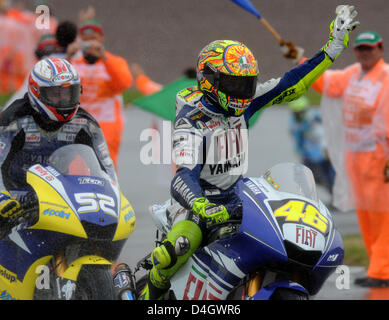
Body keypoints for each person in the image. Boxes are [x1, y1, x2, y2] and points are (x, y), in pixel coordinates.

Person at [137, 5, 359, 300]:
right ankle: (149, 294)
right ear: (210, 81)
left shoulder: (245, 102)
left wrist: (331, 48)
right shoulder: (192, 119)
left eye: (247, 84)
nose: (243, 92)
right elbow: (182, 177)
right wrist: (201, 205)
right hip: (197, 202)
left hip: (238, 196)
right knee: (180, 244)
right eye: (233, 84)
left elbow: (293, 83)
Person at [287, 30, 389, 288]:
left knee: (383, 216)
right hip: (357, 158)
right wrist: (301, 61)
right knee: (366, 215)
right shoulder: (352, 75)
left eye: (370, 48)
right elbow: (324, 82)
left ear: (380, 49)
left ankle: (383, 271)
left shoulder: (386, 78)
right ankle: (377, 266)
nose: (365, 53)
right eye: (360, 49)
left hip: (381, 158)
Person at [0, 57, 117, 235]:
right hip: (15, 199)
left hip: (62, 199)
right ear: (36, 92)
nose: (64, 100)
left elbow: (107, 169)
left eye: (70, 93)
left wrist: (114, 199)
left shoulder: (86, 123)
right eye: (56, 94)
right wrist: (2, 198)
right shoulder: (11, 120)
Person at [68, 19, 133, 170]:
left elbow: (125, 83)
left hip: (107, 126)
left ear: (102, 39)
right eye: (85, 41)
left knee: (105, 168)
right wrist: (68, 57)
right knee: (76, 169)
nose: (90, 45)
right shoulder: (74, 63)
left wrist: (104, 57)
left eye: (94, 39)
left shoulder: (114, 61)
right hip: (78, 124)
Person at [287, 96, 335, 194]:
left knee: (330, 175)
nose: (299, 115)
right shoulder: (293, 123)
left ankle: (335, 197)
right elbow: (297, 140)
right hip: (308, 154)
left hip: (323, 153)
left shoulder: (314, 117)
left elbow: (325, 132)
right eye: (296, 113)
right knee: (306, 177)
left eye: (301, 112)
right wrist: (301, 153)